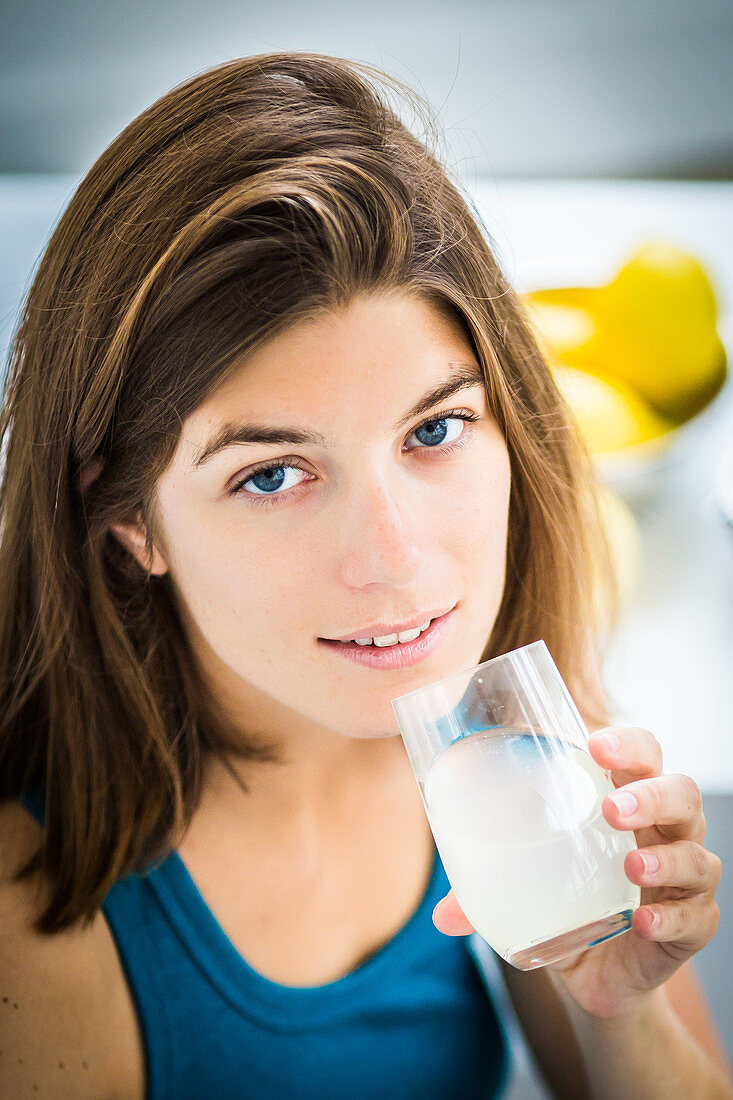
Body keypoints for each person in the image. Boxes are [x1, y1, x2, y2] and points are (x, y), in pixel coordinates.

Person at [0, 51, 730, 1099]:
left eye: (434, 427)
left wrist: (618, 1001)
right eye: (273, 474)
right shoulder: (33, 937)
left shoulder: (497, 730)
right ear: (128, 519)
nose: (397, 560)